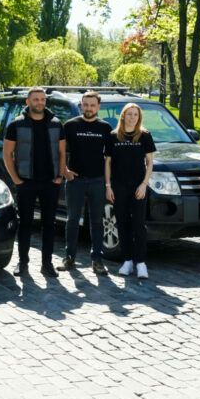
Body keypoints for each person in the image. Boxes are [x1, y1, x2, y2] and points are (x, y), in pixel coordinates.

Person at [3, 86, 66, 278]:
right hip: (26, 182)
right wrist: (16, 179)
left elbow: (62, 153)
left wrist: (59, 177)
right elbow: (7, 153)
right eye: (36, 99)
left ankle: (47, 264)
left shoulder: (56, 124)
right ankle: (23, 263)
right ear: (28, 102)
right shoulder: (16, 125)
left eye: (42, 99)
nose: (40, 102)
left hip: (50, 182)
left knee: (49, 224)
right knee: (26, 224)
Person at [60, 91, 113, 274]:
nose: (89, 108)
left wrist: (108, 183)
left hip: (97, 180)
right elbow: (60, 151)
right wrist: (64, 171)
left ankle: (97, 259)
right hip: (75, 180)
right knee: (72, 219)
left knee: (97, 221)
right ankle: (69, 257)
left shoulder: (105, 128)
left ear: (98, 107)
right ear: (81, 105)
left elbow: (110, 158)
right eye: (86, 104)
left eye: (92, 105)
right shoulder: (70, 125)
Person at [104, 103, 156, 279]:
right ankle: (127, 261)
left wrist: (144, 184)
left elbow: (150, 163)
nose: (132, 117)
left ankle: (141, 263)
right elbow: (108, 163)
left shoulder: (145, 136)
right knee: (123, 224)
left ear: (139, 117)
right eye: (129, 114)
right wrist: (108, 186)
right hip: (118, 186)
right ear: (123, 116)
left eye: (135, 114)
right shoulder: (113, 136)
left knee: (139, 225)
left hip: (138, 187)